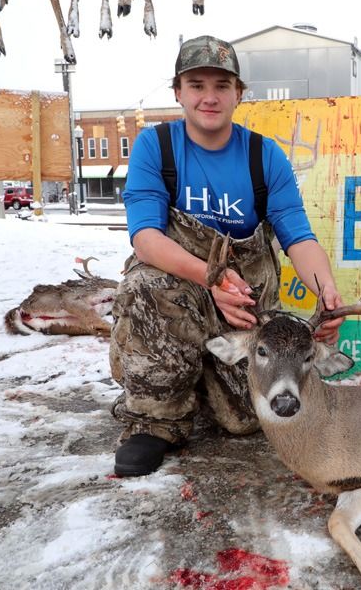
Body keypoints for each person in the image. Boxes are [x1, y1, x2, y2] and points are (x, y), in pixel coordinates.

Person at [109, 35, 345, 477]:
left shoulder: (263, 156)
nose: (210, 97)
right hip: (177, 294)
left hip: (244, 307)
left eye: (222, 85)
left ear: (239, 93)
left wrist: (326, 289)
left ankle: (199, 384)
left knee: (243, 420)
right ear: (178, 92)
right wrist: (211, 279)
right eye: (196, 85)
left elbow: (298, 236)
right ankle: (154, 420)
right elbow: (146, 239)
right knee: (145, 284)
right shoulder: (156, 147)